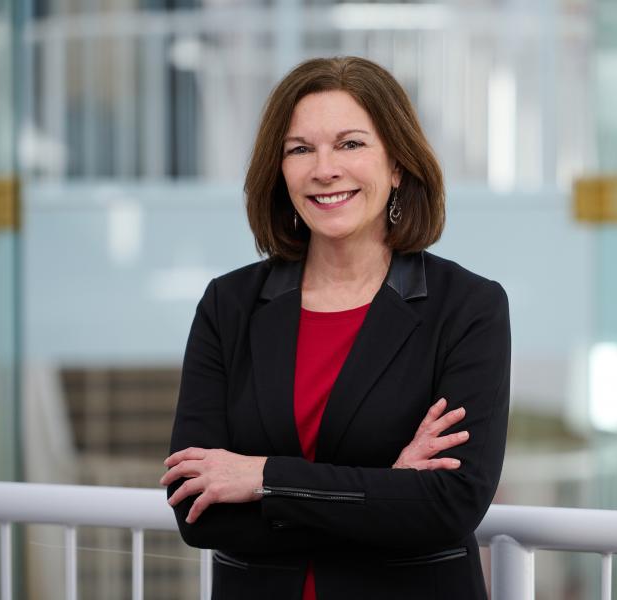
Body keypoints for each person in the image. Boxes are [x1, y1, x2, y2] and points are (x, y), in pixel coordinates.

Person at [161, 56, 511, 600]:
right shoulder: (228, 305)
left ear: (397, 165)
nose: (324, 169)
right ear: (280, 171)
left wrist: (263, 479)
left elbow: (449, 504)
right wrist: (387, 490)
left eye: (350, 144)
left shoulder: (467, 307)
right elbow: (197, 509)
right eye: (300, 149)